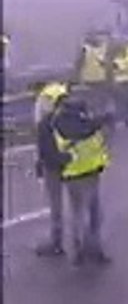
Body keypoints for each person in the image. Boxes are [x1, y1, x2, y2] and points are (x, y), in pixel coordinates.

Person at [44, 97, 113, 265]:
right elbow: (92, 128)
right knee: (93, 215)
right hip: (88, 173)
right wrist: (106, 117)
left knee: (77, 214)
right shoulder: (84, 125)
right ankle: (93, 250)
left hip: (71, 174)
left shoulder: (57, 123)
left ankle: (78, 251)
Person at [33, 82, 70, 257]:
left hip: (53, 166)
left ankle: (56, 242)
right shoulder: (71, 115)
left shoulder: (44, 121)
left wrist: (39, 165)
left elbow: (43, 149)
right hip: (73, 163)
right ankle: (87, 241)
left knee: (56, 205)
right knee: (82, 204)